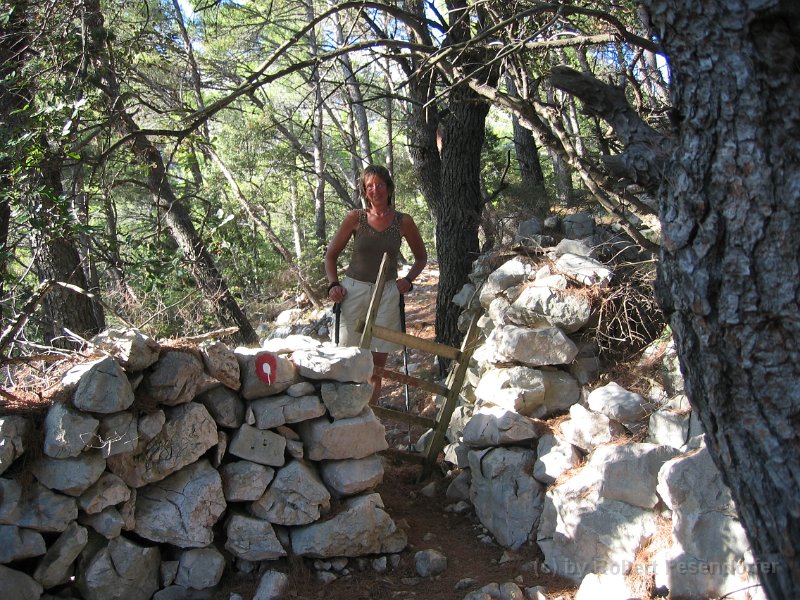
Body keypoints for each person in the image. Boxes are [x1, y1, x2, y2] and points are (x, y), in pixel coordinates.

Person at [325, 165, 428, 404]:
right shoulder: (355, 218)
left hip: (387, 293)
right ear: (364, 191)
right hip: (353, 291)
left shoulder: (403, 221)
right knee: (348, 358)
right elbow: (330, 256)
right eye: (369, 186)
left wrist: (408, 281)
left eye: (379, 184)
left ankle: (371, 415)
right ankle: (346, 412)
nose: (375, 190)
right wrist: (333, 285)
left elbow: (421, 258)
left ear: (389, 188)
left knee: (376, 365)